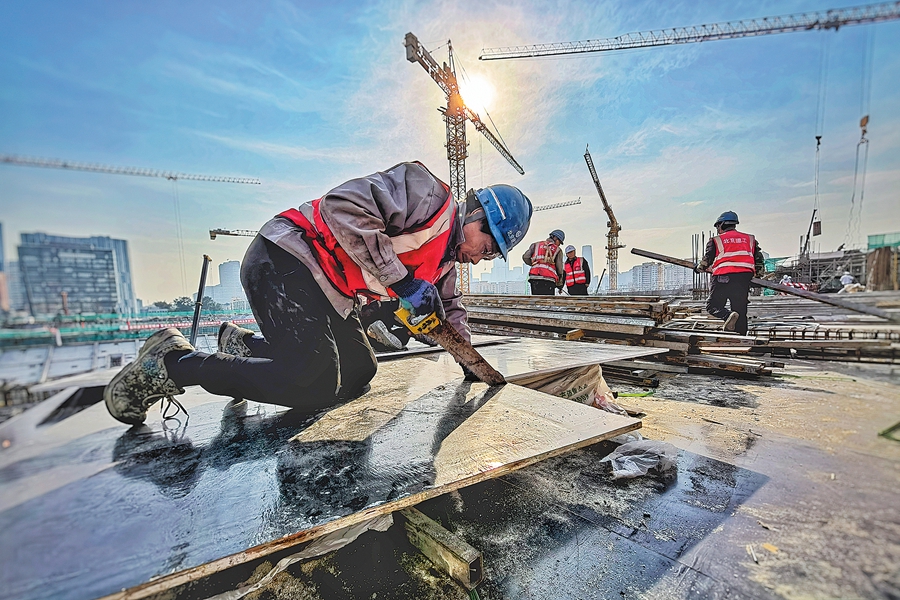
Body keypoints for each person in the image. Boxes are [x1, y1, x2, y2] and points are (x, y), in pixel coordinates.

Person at [104, 162, 533, 425]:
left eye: (493, 253)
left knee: (360, 370)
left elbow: (450, 312)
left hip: (328, 291)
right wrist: (401, 283)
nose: (481, 255)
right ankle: (174, 362)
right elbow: (341, 207)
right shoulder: (425, 194)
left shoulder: (442, 266)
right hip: (286, 258)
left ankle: (243, 345)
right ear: (473, 211)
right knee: (312, 380)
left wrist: (468, 360)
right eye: (487, 241)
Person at [695, 211, 764, 335]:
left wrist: (699, 268)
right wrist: (758, 275)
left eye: (717, 227)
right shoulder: (750, 239)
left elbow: (707, 259)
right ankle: (742, 340)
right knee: (740, 312)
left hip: (723, 277)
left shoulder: (716, 240)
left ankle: (728, 316)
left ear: (721, 224)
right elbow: (758, 259)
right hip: (743, 279)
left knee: (713, 307)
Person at [523, 229, 565, 296]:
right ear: (555, 238)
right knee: (548, 303)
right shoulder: (557, 250)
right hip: (548, 279)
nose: (559, 244)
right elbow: (559, 269)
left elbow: (525, 257)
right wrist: (559, 284)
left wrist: (534, 264)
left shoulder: (536, 245)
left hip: (534, 278)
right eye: (559, 242)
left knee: (537, 302)